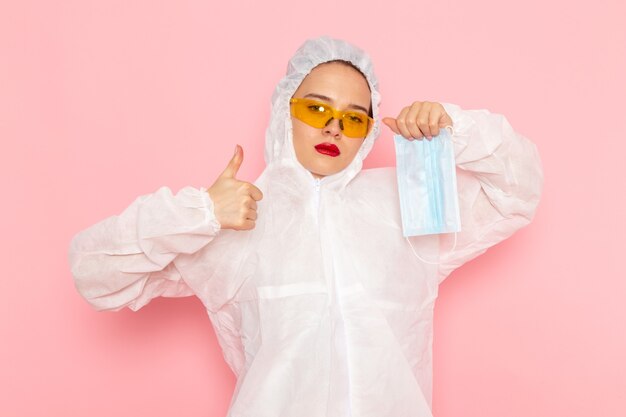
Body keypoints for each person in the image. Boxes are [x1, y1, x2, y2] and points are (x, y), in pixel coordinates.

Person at [68, 36, 543, 417]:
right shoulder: (237, 216)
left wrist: (455, 130)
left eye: (354, 118)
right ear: (284, 112)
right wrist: (201, 213)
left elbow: (518, 194)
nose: (334, 128)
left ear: (371, 131)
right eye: (316, 109)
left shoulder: (409, 204)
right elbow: (93, 274)